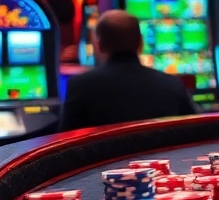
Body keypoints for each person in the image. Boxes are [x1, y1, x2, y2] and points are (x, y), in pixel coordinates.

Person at [58, 10, 196, 131]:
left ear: (99, 46)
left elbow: (63, 144)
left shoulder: (80, 86)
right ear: (141, 43)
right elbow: (194, 134)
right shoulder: (172, 84)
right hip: (166, 160)